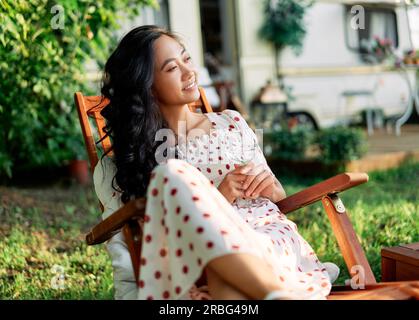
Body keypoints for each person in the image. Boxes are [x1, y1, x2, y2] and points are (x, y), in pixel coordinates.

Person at [95, 25, 339, 300]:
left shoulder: (231, 123)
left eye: (186, 59)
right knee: (173, 174)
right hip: (201, 258)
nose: (189, 73)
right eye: (172, 68)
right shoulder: (132, 162)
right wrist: (218, 198)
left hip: (269, 240)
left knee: (220, 273)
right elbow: (154, 236)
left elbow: (279, 196)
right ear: (148, 87)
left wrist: (269, 188)